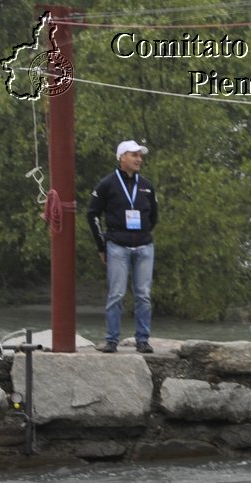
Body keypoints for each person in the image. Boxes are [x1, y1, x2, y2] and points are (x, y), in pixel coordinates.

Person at [86, 139, 158, 354]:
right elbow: (92, 215)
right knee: (116, 294)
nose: (139, 159)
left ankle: (143, 340)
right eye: (134, 155)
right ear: (122, 158)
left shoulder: (146, 186)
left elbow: (154, 216)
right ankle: (111, 340)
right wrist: (102, 246)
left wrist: (143, 233)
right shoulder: (106, 185)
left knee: (143, 295)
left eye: (140, 156)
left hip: (144, 246)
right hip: (117, 246)